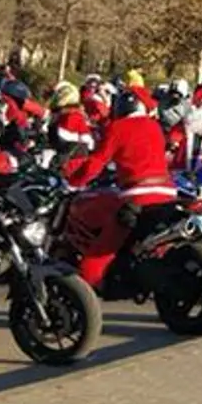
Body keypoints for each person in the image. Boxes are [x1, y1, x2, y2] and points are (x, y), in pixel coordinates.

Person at [65, 87, 176, 288]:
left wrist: (74, 181)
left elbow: (96, 163)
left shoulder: (117, 128)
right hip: (168, 195)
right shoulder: (155, 127)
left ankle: (90, 286)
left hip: (137, 197)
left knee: (99, 253)